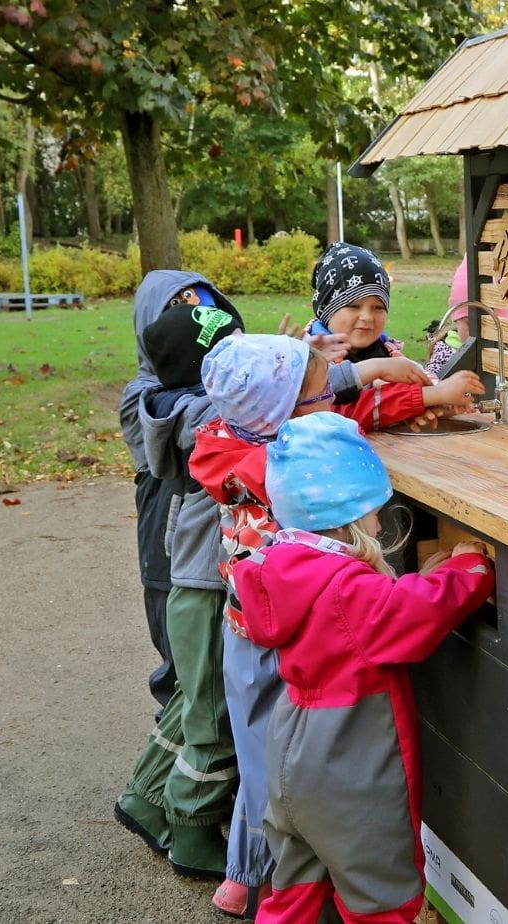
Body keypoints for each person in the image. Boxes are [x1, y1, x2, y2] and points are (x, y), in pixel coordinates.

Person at [233, 412, 496, 923]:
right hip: (349, 762)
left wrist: (421, 575)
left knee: (293, 893)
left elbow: (368, 612)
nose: (381, 521)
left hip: (289, 751)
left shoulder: (286, 569)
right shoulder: (351, 591)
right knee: (380, 899)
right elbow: (414, 615)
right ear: (350, 517)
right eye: (375, 512)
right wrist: (470, 568)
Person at [189, 334, 337, 918]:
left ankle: (242, 873)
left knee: (260, 757)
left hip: (243, 629)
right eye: (320, 397)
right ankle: (266, 880)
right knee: (279, 765)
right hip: (280, 638)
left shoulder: (232, 439)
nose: (333, 405)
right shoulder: (282, 469)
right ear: (280, 416)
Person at [114, 276, 244, 879]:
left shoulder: (191, 391)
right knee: (195, 689)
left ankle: (148, 795)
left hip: (196, 551)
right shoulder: (157, 397)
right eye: (181, 308)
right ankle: (191, 820)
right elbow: (227, 410)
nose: (198, 314)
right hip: (177, 552)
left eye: (205, 303)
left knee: (198, 692)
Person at [307, 241, 483, 428]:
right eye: (353, 306)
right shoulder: (306, 355)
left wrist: (440, 403)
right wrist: (430, 396)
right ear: (326, 309)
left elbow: (420, 378)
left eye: (378, 307)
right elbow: (330, 400)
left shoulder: (388, 350)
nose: (367, 317)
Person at [425, 255, 508, 379]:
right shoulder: (446, 352)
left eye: (495, 327)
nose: (482, 334)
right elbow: (430, 382)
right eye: (470, 324)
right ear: (456, 319)